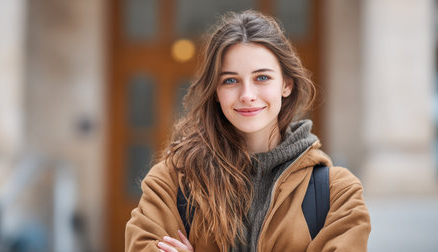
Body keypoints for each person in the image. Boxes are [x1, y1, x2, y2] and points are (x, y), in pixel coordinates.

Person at [125, 10, 371, 252]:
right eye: (230, 80)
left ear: (286, 84)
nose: (247, 96)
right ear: (216, 92)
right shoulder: (170, 182)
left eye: (262, 78)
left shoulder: (338, 194)